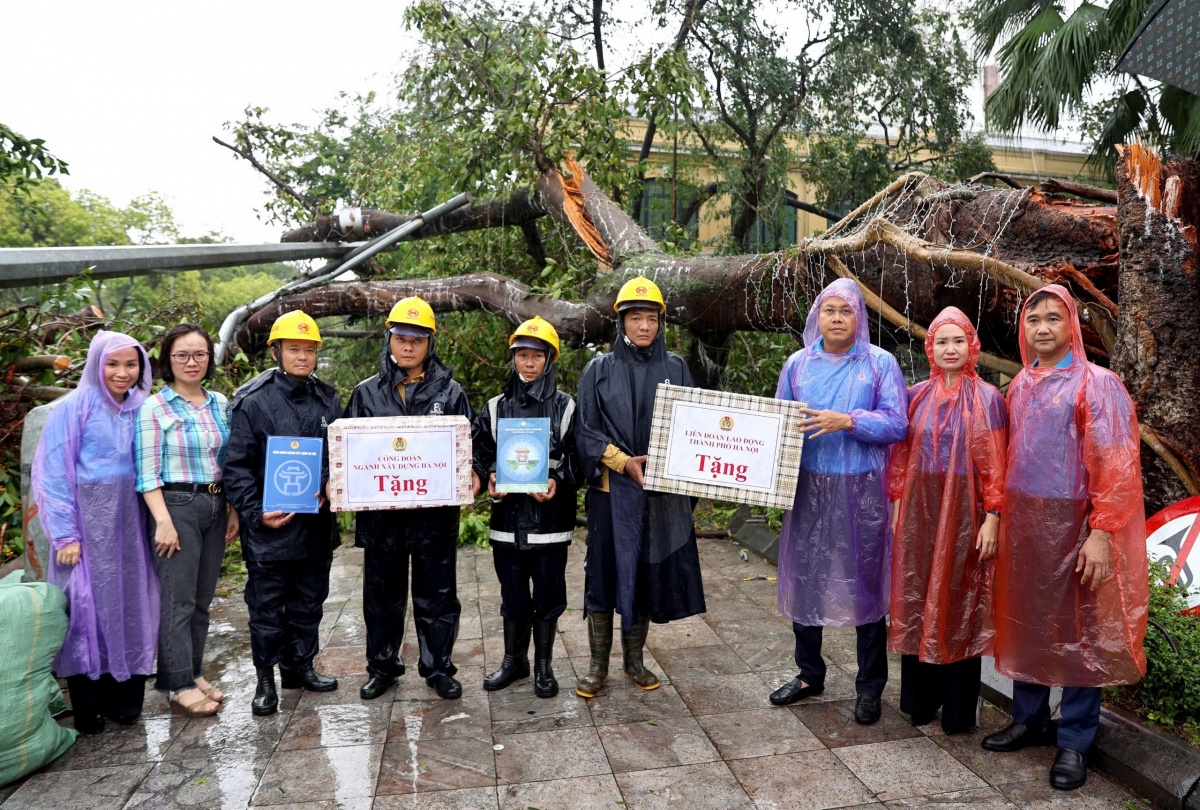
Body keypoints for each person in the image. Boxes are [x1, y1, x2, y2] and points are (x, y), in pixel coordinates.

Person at [983, 285, 1147, 791]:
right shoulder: (1021, 387)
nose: (1043, 328)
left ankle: (1075, 738)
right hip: (1027, 525)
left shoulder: (1098, 385)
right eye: (1034, 320)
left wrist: (1102, 532)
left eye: (1054, 318)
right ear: (1024, 329)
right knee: (1026, 617)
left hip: (1076, 523)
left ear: (1071, 325)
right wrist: (999, 515)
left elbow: (1116, 464)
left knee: (1081, 630)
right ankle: (1030, 719)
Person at [769, 277, 908, 725]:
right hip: (808, 488)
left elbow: (896, 424)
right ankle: (809, 674)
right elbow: (777, 423)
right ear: (816, 316)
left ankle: (870, 687)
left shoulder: (880, 364)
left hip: (862, 490)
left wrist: (848, 420)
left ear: (859, 317)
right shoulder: (797, 364)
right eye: (828, 310)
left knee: (866, 585)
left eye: (845, 310)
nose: (836, 318)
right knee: (805, 577)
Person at [574, 276, 706, 699]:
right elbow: (585, 431)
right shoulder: (599, 369)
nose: (644, 326)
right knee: (602, 575)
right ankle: (597, 667)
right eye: (636, 318)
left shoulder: (677, 368)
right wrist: (622, 461)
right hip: (612, 493)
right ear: (621, 322)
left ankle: (634, 660)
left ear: (660, 323)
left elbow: (696, 428)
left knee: (647, 574)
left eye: (651, 318)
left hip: (659, 495)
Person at [346, 296, 477, 701]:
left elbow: (470, 446)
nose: (408, 347)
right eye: (401, 338)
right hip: (382, 517)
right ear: (389, 340)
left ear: (429, 344)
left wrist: (471, 472)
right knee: (382, 597)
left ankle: (438, 667)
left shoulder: (451, 392)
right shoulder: (365, 394)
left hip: (433, 516)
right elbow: (346, 452)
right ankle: (382, 667)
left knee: (437, 594)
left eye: (417, 340)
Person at [32, 331, 159, 732]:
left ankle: (126, 700)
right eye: (112, 363)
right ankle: (89, 707)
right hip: (86, 529)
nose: (122, 373)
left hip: (132, 527)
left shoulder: (144, 407)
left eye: (131, 363)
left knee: (132, 603)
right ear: (95, 365)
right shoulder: (74, 408)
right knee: (86, 610)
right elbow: (51, 473)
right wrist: (66, 534)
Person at [887, 307, 1006, 734]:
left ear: (971, 346)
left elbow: (996, 463)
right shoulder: (916, 394)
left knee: (960, 599)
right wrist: (898, 500)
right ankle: (920, 700)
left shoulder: (988, 398)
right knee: (917, 593)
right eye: (942, 341)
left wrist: (993, 514)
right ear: (930, 347)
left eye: (958, 340)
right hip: (921, 511)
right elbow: (900, 456)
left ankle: (958, 708)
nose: (950, 348)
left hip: (965, 514)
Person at [224, 310, 342, 716]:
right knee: (267, 607)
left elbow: (339, 455)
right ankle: (265, 681)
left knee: (310, 601)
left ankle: (300, 667)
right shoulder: (252, 401)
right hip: (268, 531)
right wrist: (256, 513)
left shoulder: (328, 399)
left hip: (315, 525)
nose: (303, 357)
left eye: (309, 350)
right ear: (276, 351)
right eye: (294, 349)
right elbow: (236, 466)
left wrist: (329, 481)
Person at [472, 317, 579, 698]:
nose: (528, 363)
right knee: (512, 593)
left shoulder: (566, 407)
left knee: (549, 594)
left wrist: (558, 481)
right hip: (507, 521)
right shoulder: (495, 407)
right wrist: (487, 479)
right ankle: (514, 661)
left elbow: (577, 458)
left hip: (550, 519)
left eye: (537, 355)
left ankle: (545, 667)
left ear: (550, 359)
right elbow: (479, 452)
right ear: (513, 358)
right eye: (522, 355)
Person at [135, 324, 239, 718]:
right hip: (176, 505)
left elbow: (228, 460)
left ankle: (193, 673)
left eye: (199, 354)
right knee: (177, 601)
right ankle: (177, 684)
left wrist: (232, 509)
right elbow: (146, 473)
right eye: (182, 355)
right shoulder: (154, 408)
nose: (191, 362)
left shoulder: (219, 402)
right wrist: (162, 520)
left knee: (201, 601)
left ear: (209, 359)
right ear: (168, 360)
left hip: (215, 503)